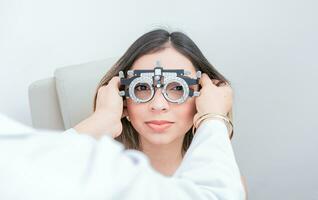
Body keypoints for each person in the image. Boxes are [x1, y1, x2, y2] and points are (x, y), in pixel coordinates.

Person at [0, 29, 246, 200]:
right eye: (141, 87)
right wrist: (103, 120)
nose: (158, 104)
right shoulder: (94, 176)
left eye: (176, 88)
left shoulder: (229, 179)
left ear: (202, 97)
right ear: (122, 98)